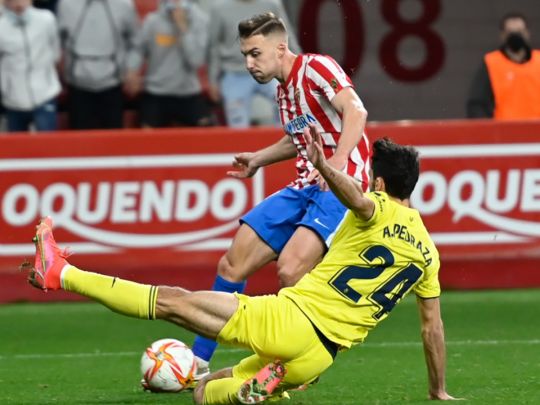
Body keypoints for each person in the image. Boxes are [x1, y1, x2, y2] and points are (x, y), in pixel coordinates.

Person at [25, 126, 456, 404]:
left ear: (379, 182)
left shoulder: (376, 206)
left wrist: (324, 165)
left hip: (290, 320)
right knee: (203, 392)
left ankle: (61, 273)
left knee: (172, 301)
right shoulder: (427, 252)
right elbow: (432, 328)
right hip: (318, 358)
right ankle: (253, 390)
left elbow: (357, 200)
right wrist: (437, 390)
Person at [191, 11, 370, 377]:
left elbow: (356, 110)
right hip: (305, 184)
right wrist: (260, 157)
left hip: (342, 185)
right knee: (233, 263)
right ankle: (196, 363)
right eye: (245, 55)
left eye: (255, 53)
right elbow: (297, 139)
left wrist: (336, 163)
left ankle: (298, 363)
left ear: (280, 47)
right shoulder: (282, 90)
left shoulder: (316, 67)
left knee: (291, 270)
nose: (249, 63)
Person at [207, 1, 301, 127]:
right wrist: (213, 81)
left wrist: (299, 67)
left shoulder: (272, 4)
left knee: (289, 115)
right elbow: (213, 46)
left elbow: (286, 36)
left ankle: (288, 139)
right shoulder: (219, 8)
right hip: (234, 73)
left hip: (270, 70)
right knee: (238, 126)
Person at [125, 0, 215, 128]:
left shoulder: (200, 20)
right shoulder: (153, 21)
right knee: (145, 134)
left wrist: (183, 29)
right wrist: (131, 70)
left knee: (207, 132)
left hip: (188, 92)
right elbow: (138, 50)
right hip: (156, 92)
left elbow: (196, 61)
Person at [56, 0, 139, 129]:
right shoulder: (65, 5)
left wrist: (131, 68)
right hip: (77, 86)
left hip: (113, 86)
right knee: (79, 139)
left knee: (112, 139)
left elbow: (136, 43)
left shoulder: (125, 5)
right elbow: (56, 42)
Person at [0, 0, 61, 132]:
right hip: (13, 100)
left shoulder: (47, 19)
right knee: (16, 144)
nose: (18, 2)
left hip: (44, 96)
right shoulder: (1, 28)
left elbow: (56, 52)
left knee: (48, 143)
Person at [466, 12, 540, 119]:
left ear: (527, 33)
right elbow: (477, 104)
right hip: (504, 128)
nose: (515, 36)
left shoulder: (538, 61)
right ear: (502, 35)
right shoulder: (491, 63)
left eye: (519, 32)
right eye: (510, 32)